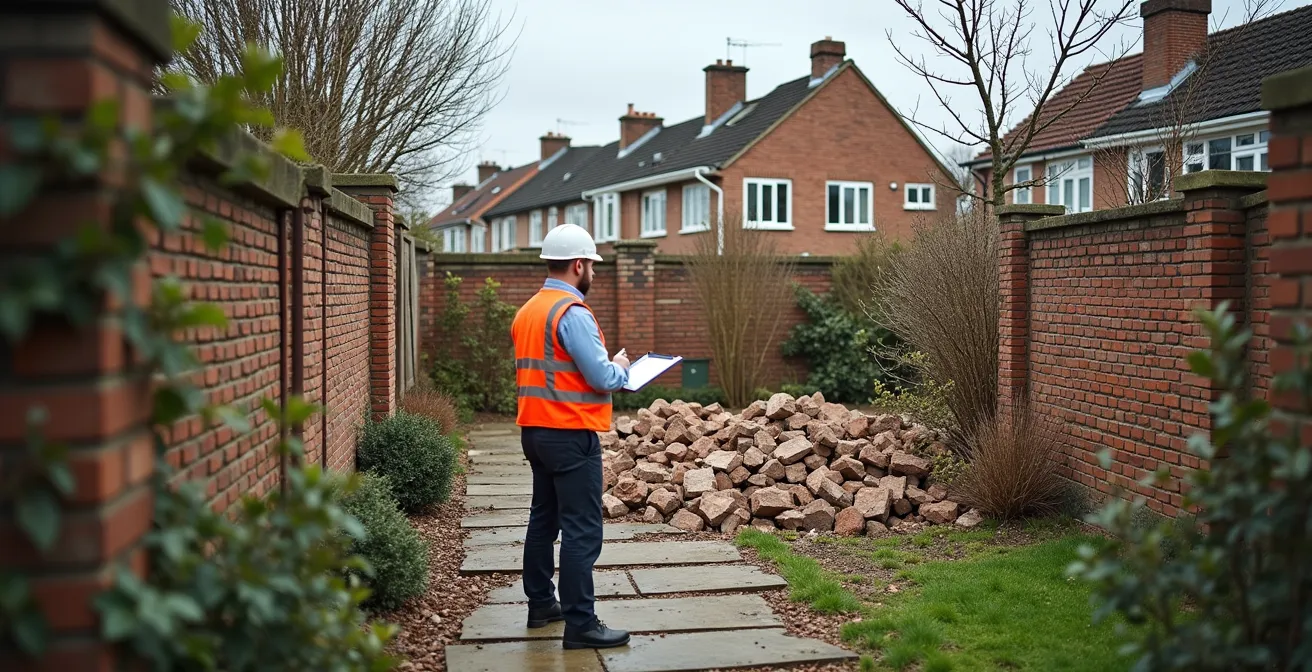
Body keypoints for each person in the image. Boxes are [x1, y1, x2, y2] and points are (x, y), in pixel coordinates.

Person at [511, 223, 632, 650]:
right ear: (579, 265)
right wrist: (623, 369)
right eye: (592, 266)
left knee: (543, 520)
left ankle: (542, 604)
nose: (593, 273)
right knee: (583, 529)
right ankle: (581, 625)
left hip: (535, 432)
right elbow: (601, 377)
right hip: (570, 433)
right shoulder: (572, 313)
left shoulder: (529, 310)